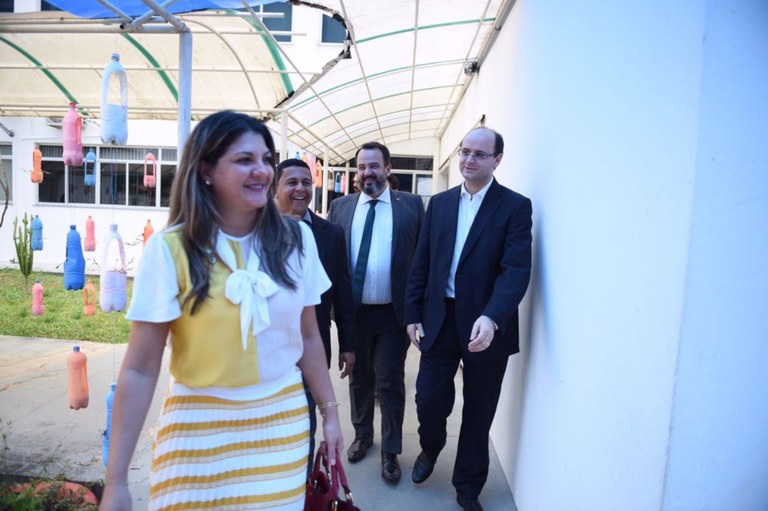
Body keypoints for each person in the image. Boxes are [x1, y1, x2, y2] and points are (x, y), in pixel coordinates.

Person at [100, 111, 343, 511]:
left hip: (279, 426)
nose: (262, 171)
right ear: (206, 171)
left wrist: (330, 414)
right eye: (244, 160)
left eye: (266, 159)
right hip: (195, 429)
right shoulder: (170, 249)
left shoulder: (297, 240)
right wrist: (116, 482)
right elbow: (140, 368)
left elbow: (309, 336)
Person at [404, 127, 532, 511]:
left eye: (479, 153)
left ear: (497, 160)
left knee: (479, 410)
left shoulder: (514, 206)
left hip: (486, 327)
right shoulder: (440, 204)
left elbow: (515, 271)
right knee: (428, 399)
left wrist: (492, 317)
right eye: (465, 151)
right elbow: (422, 261)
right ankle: (431, 447)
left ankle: (468, 486)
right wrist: (412, 312)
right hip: (440, 319)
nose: (469, 159)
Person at [327, 141, 424, 483]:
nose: (367, 172)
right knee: (359, 378)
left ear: (388, 169)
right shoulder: (340, 207)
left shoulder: (411, 206)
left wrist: (417, 311)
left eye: (373, 166)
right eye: (361, 167)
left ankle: (391, 450)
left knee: (389, 379)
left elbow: (422, 259)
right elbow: (331, 259)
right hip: (353, 313)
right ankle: (363, 434)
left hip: (393, 314)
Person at [275, 157, 357, 469]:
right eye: (292, 182)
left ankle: (305, 482)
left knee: (306, 425)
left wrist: (348, 344)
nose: (300, 189)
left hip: (313, 345)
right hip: (270, 353)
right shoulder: (254, 232)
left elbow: (342, 292)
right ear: (275, 188)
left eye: (306, 183)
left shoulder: (330, 233)